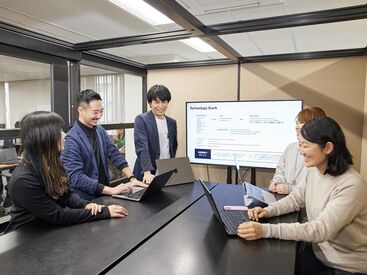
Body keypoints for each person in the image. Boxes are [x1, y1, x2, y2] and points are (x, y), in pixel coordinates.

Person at [238, 117, 367, 275]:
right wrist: (268, 210)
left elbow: (320, 229)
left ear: (327, 147)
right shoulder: (315, 170)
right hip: (320, 253)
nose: (300, 151)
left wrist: (265, 230)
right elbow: (295, 200)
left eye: (305, 146)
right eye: (300, 145)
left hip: (346, 266)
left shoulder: (351, 185)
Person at [4, 111, 128, 233]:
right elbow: (57, 215)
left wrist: (85, 205)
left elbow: (67, 194)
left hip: (50, 232)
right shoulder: (23, 180)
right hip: (27, 240)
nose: (64, 135)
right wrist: (104, 212)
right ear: (44, 138)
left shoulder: (54, 163)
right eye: (59, 131)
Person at [61, 89, 146, 200]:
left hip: (103, 194)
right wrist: (111, 190)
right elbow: (76, 177)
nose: (99, 115)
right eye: (95, 112)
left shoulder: (99, 130)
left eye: (101, 111)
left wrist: (132, 177)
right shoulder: (71, 139)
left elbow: (114, 154)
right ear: (81, 110)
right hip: (85, 200)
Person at [269, 107, 326, 194]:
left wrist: (290, 189)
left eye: (303, 123)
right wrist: (276, 182)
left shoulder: (320, 155)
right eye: (297, 123)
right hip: (284, 199)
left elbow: (316, 190)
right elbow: (280, 170)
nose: (297, 127)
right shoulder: (290, 147)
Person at [133, 84, 178, 183]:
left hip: (165, 172)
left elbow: (173, 147)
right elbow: (142, 147)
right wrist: (147, 172)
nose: (160, 106)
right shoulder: (141, 120)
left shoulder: (172, 122)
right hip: (147, 174)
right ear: (150, 103)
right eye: (156, 102)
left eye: (164, 102)